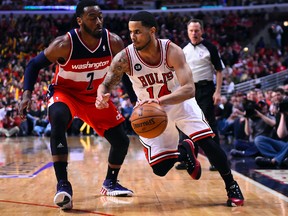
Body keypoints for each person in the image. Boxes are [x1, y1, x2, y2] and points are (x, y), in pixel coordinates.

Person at [96, 11, 244, 207]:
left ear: (152, 31)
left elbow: (190, 88)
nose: (132, 36)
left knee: (207, 142)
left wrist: (160, 100)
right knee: (160, 169)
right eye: (131, 32)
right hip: (150, 112)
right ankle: (185, 150)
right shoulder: (125, 57)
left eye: (138, 32)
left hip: (178, 102)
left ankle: (231, 185)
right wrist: (101, 95)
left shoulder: (171, 50)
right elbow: (106, 83)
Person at [18, 0, 133, 210]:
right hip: (66, 93)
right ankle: (63, 184)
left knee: (122, 140)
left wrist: (137, 102)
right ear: (80, 21)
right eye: (92, 18)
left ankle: (110, 182)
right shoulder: (64, 44)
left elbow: (124, 71)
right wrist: (26, 94)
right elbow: (33, 64)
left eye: (100, 17)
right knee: (59, 118)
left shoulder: (113, 42)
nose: (98, 21)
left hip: (94, 97)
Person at [181, 18, 225, 171]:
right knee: (185, 123)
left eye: (197, 30)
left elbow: (219, 70)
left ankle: (216, 160)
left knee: (208, 124)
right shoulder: (183, 49)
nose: (194, 33)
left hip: (206, 89)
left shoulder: (210, 47)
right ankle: (187, 159)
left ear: (202, 31)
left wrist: (218, 91)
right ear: (187, 32)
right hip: (188, 89)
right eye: (191, 30)